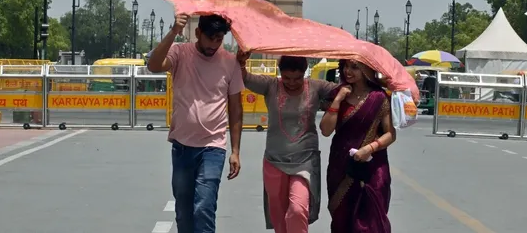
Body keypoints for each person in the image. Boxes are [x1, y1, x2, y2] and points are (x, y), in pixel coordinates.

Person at [147, 13, 244, 233]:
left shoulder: (230, 62)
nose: (214, 44)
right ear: (197, 33)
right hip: (182, 145)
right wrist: (172, 32)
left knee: (204, 207)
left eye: (219, 39)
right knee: (184, 211)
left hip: (213, 147)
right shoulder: (180, 52)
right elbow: (153, 65)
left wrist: (235, 150)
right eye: (210, 38)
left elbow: (236, 108)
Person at [236, 51, 338, 233]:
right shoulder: (271, 86)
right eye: (287, 77)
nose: (291, 82)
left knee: (298, 210)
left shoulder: (315, 87)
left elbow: (346, 88)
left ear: (305, 72)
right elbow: (245, 77)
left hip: (305, 160)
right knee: (279, 216)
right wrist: (241, 62)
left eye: (297, 78)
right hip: (275, 160)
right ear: (279, 72)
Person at [319, 59, 396, 233]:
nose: (348, 71)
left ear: (367, 70)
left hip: (373, 166)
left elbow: (390, 134)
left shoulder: (379, 97)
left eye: (354, 67)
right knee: (342, 218)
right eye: (345, 66)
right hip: (342, 165)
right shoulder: (338, 94)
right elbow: (325, 130)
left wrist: (369, 148)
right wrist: (338, 100)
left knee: (371, 220)